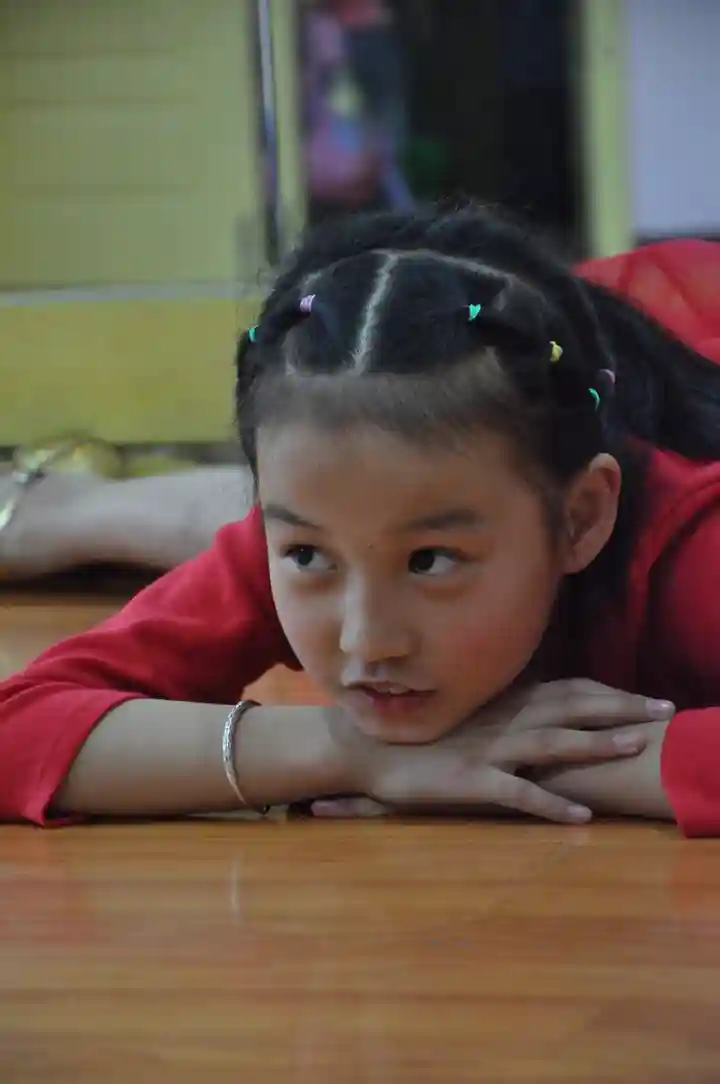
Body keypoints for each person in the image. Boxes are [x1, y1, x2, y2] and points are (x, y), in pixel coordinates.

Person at [2, 204, 720, 835]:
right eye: (307, 555)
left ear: (581, 520)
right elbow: (17, 730)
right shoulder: (325, 526)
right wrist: (348, 751)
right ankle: (72, 511)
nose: (366, 640)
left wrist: (536, 762)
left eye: (431, 560)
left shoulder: (689, 544)